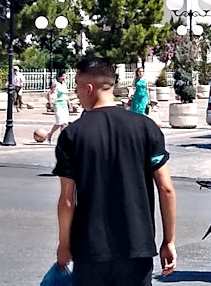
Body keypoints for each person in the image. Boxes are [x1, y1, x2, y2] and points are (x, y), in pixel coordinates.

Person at [53, 56, 176, 285]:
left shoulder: (72, 134)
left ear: (89, 88)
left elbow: (67, 200)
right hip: (137, 248)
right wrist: (168, 241)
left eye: (77, 86)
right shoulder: (146, 127)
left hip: (90, 250)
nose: (76, 94)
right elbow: (166, 189)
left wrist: (64, 245)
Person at [47, 71, 72, 143]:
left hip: (64, 104)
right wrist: (50, 103)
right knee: (59, 122)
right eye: (63, 76)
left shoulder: (64, 85)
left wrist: (69, 105)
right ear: (59, 77)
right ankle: (50, 134)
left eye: (65, 76)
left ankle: (63, 139)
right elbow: (50, 93)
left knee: (65, 123)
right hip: (58, 104)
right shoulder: (56, 84)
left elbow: (66, 96)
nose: (64, 78)